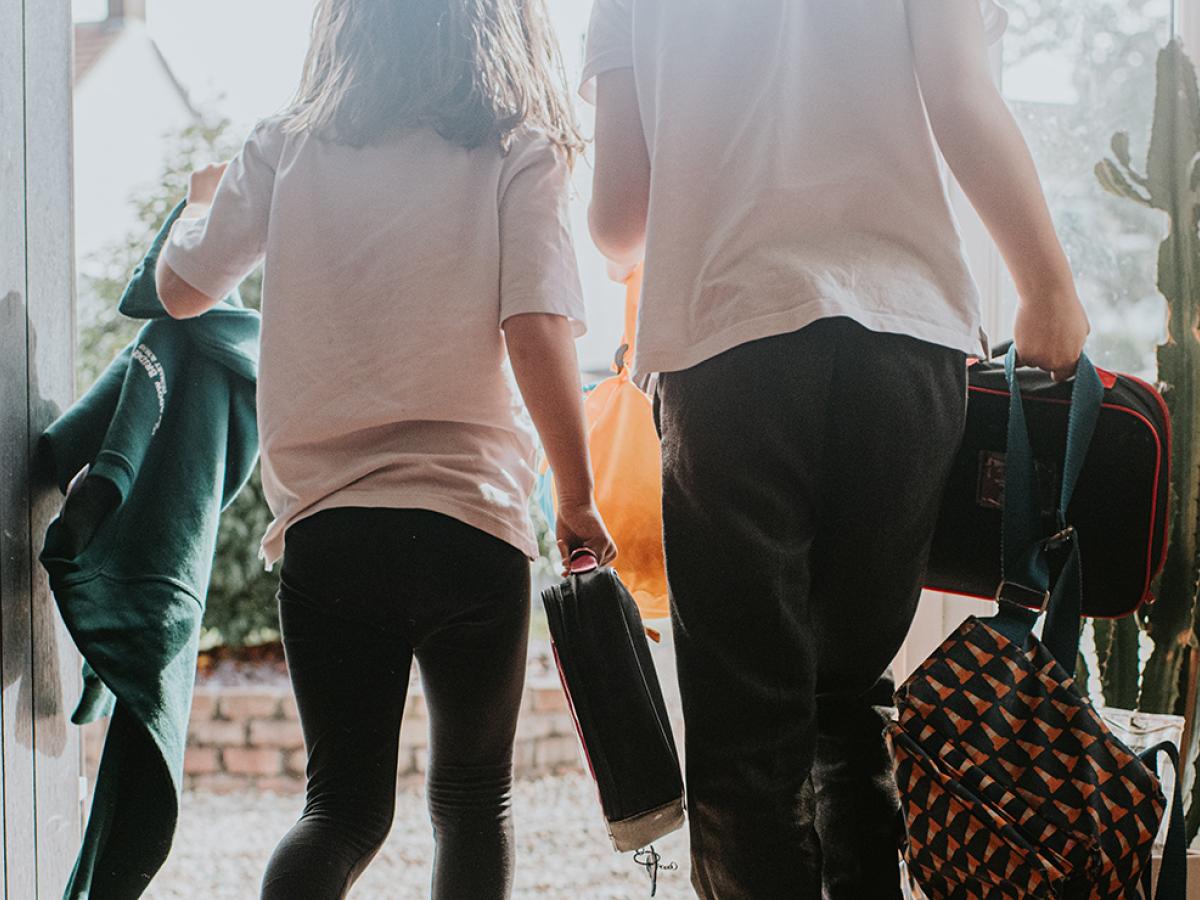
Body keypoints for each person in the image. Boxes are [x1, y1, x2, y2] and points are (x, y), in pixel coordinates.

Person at [584, 1, 1090, 897]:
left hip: (728, 346)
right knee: (848, 702)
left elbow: (619, 217)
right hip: (904, 340)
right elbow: (961, 94)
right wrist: (1047, 285)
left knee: (747, 738)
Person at [155, 1, 615, 897]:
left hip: (329, 535)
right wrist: (576, 496)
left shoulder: (287, 143)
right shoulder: (517, 144)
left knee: (341, 811)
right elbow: (536, 327)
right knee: (474, 804)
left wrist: (198, 205)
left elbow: (182, 290)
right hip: (470, 528)